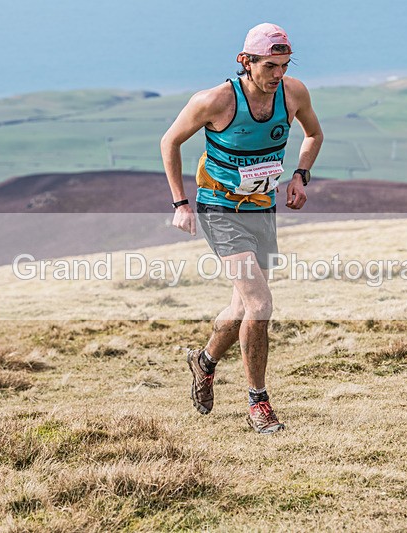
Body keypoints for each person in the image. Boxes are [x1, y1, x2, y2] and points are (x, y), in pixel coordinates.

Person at [160, 23, 323, 433]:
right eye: (270, 66)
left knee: (240, 307)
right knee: (260, 305)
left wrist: (301, 175)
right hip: (219, 210)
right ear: (245, 61)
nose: (278, 75)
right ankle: (258, 404)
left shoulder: (293, 93)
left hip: (262, 209)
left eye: (285, 65)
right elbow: (170, 142)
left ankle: (204, 361)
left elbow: (314, 134)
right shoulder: (215, 100)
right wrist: (181, 202)